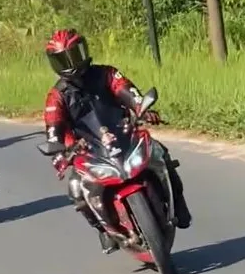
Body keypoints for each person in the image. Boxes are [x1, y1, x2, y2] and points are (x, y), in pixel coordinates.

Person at [43, 28, 192, 254]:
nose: (72, 63)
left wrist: (141, 107)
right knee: (75, 190)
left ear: (84, 50)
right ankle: (104, 231)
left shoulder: (107, 73)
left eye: (75, 54)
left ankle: (179, 205)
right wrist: (59, 152)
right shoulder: (57, 96)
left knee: (161, 153)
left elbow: (128, 92)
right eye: (64, 58)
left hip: (124, 133)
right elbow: (53, 128)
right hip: (88, 150)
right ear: (55, 63)